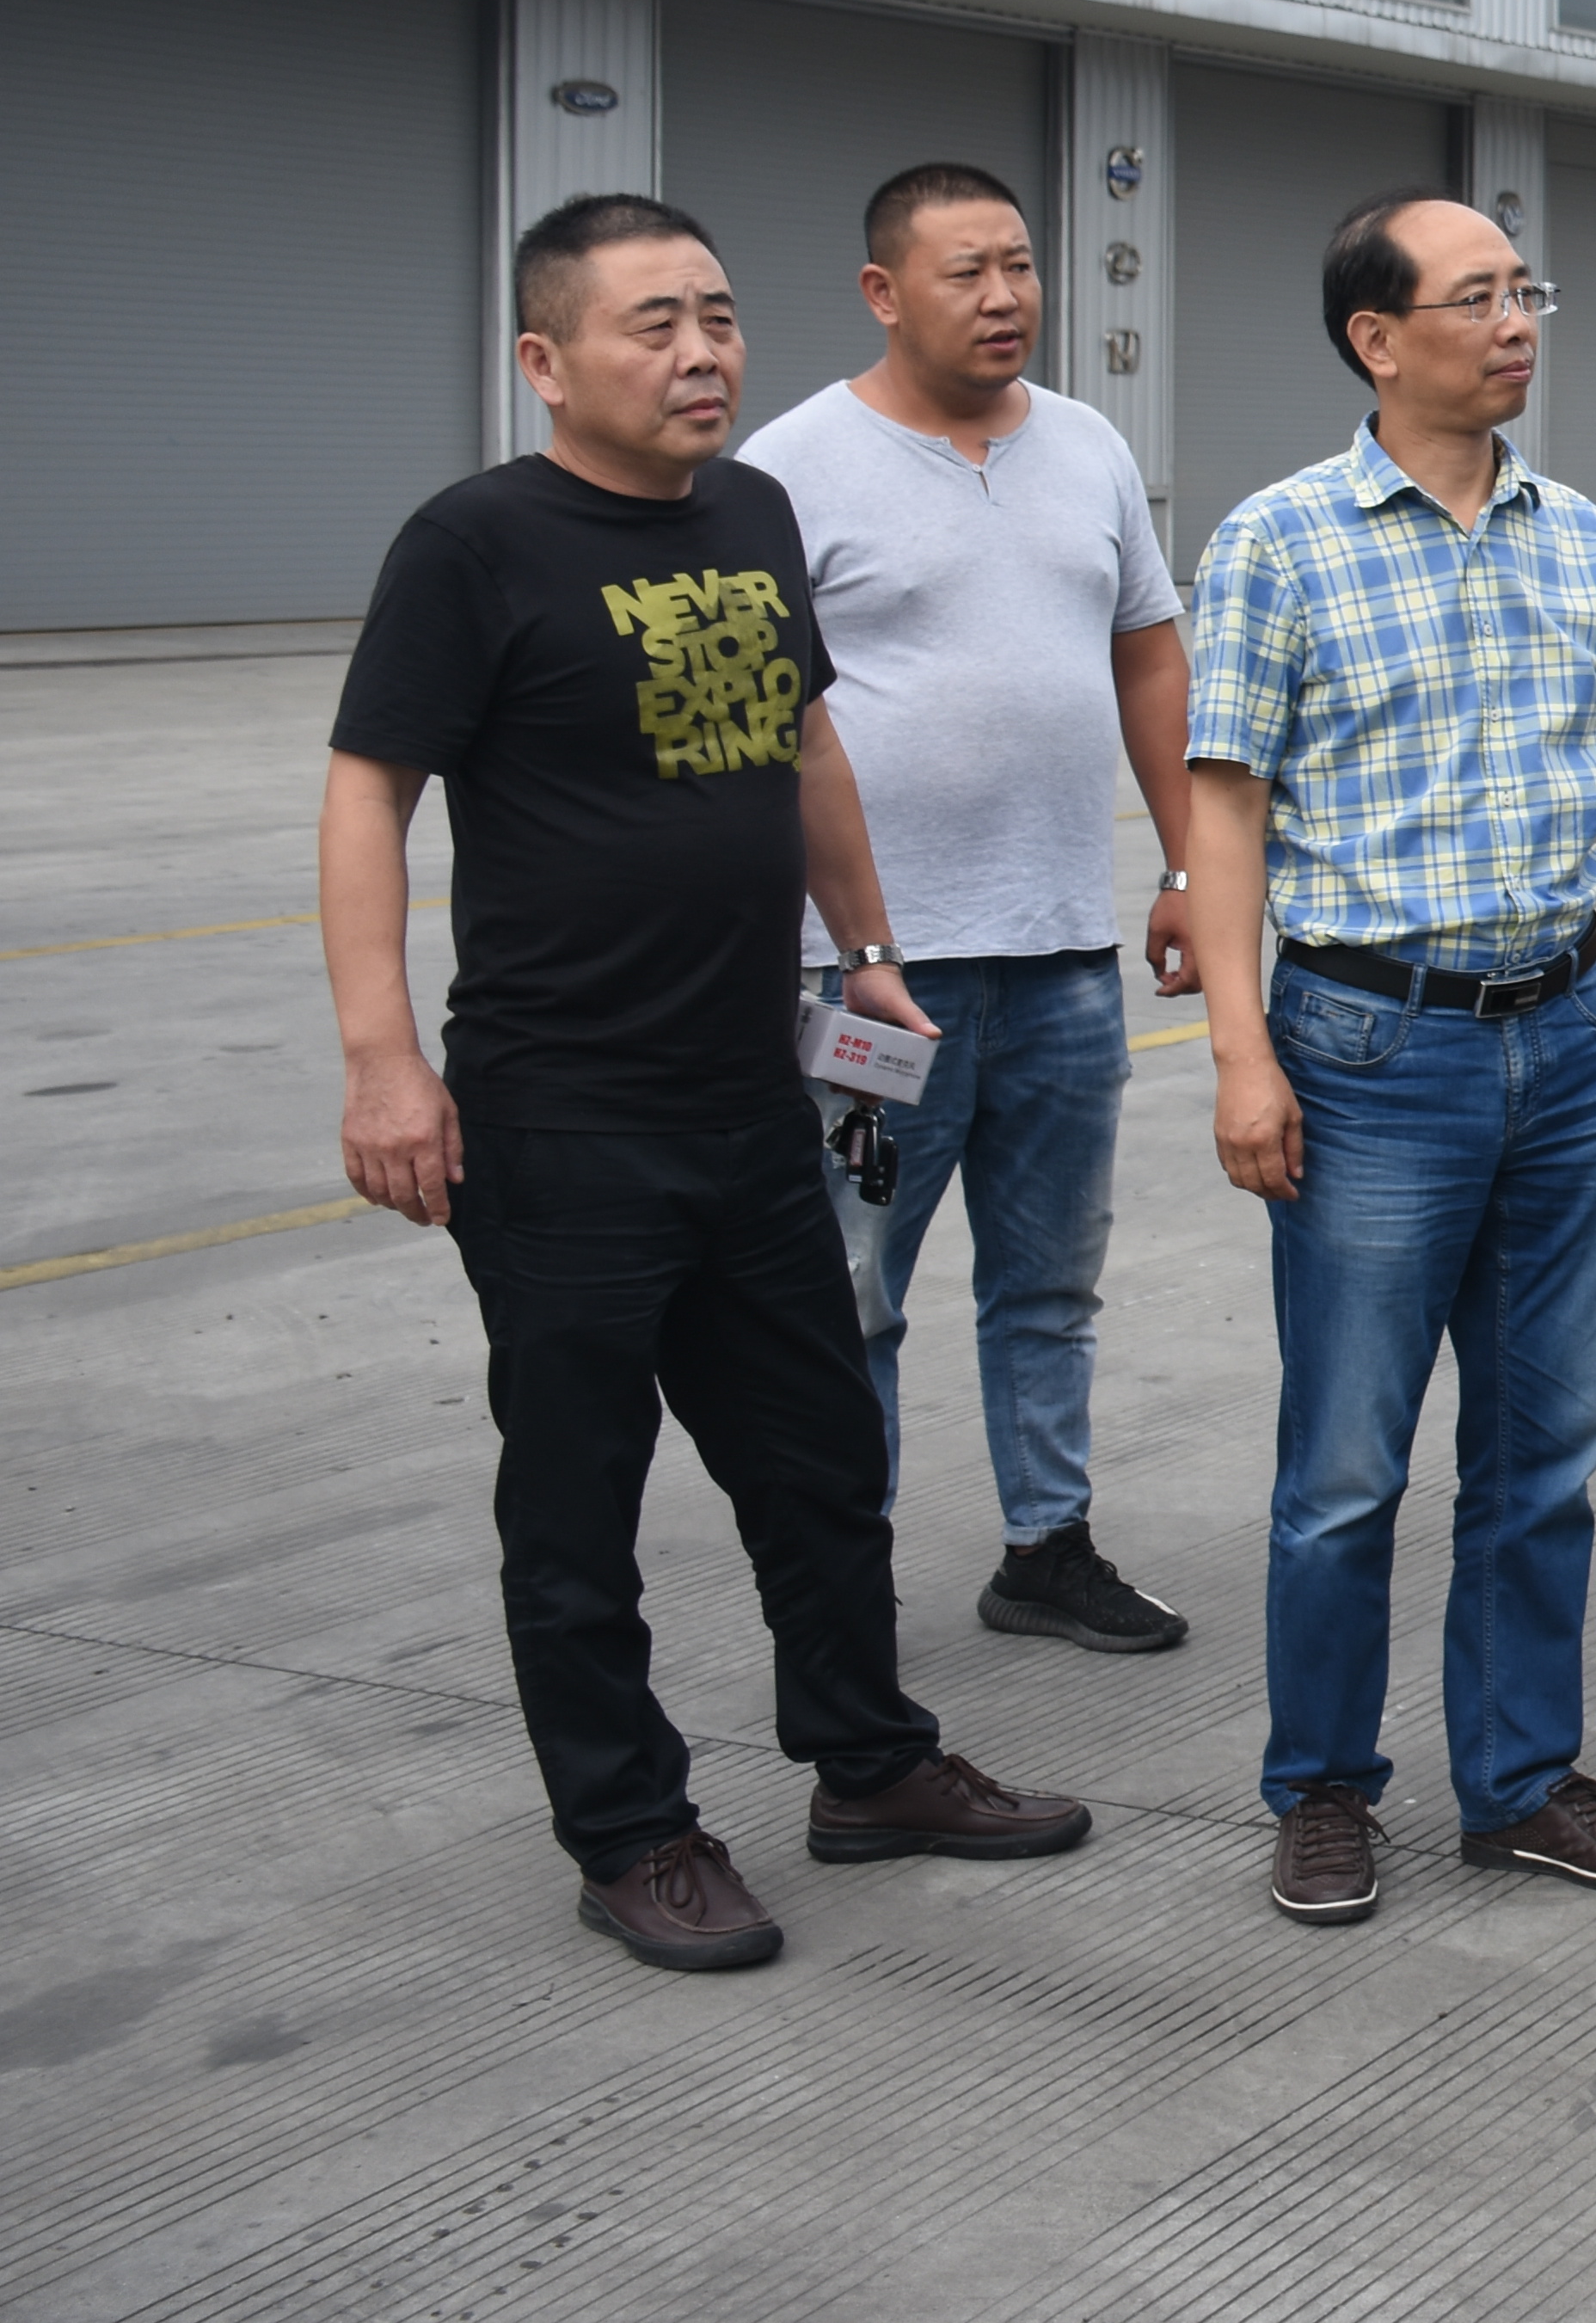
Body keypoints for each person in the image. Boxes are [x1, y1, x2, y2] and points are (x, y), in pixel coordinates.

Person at [320, 194, 1094, 1976]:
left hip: (752, 1095)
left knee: (818, 1464)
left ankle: (869, 1763)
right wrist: (382, 1060)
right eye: (653, 324)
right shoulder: (474, 542)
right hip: (562, 1116)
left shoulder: (752, 513)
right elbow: (370, 792)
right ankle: (631, 1831)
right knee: (578, 1505)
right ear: (547, 360)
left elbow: (806, 736)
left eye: (720, 318)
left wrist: (869, 943)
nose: (701, 354)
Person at [1185, 195, 1596, 1927]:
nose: (1516, 322)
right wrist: (1240, 1051)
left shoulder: (1583, 540)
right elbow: (1224, 804)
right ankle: (1325, 1787)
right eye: (1475, 296)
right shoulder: (1279, 542)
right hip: (1369, 1051)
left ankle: (1521, 1780)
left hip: (1562, 1036)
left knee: (1547, 1447)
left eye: (1522, 290)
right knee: (1348, 1463)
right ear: (1376, 336)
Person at [744, 161, 1200, 1657]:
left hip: (1062, 960)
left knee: (1051, 1281)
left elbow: (1148, 652)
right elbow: (758, 720)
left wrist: (1186, 864)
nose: (1007, 298)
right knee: (851, 1288)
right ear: (884, 292)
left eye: (1021, 266)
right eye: (968, 273)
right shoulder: (788, 468)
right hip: (871, 985)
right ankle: (844, 1576)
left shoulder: (1087, 446)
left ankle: (1045, 1547)